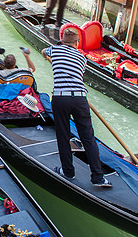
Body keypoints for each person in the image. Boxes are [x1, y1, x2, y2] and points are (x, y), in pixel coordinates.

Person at [41, 29, 112, 187]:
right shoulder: (82, 57)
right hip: (80, 98)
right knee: (88, 138)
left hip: (60, 98)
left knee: (63, 136)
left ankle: (68, 171)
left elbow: (43, 51)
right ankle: (98, 177)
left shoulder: (55, 49)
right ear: (77, 43)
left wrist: (48, 54)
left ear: (62, 41)